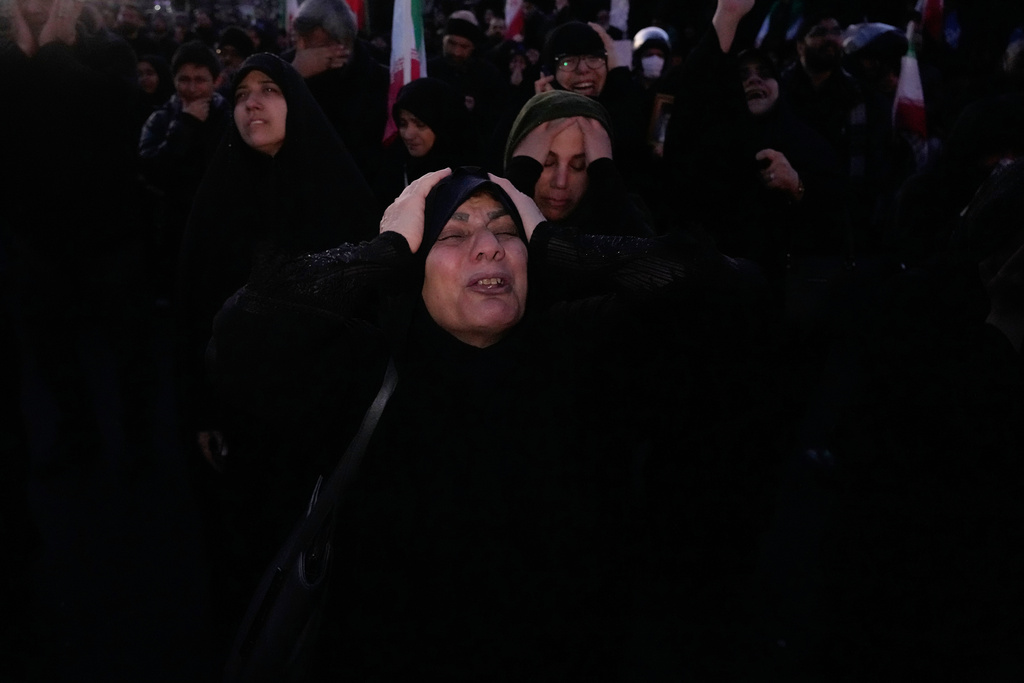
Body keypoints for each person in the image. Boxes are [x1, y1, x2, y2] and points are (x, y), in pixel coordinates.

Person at [207, 165, 771, 679]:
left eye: (507, 232)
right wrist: (384, 250)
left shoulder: (580, 351)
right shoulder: (363, 370)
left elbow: (735, 294)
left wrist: (558, 242)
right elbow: (241, 331)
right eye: (453, 235)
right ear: (415, 267)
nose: (488, 250)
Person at [175, 52, 380, 660]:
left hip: (320, 421)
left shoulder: (339, 192)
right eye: (240, 95)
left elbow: (368, 311)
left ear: (298, 104)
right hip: (240, 422)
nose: (252, 103)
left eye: (269, 90)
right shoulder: (216, 197)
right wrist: (201, 410)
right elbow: (191, 312)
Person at [139, 40, 232, 301]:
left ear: (217, 81)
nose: (192, 89)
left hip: (218, 228)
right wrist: (185, 126)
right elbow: (152, 170)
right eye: (184, 80)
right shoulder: (161, 119)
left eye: (200, 80)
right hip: (172, 228)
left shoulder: (231, 120)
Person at [504, 90, 655, 237]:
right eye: (547, 163)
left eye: (578, 166)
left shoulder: (625, 213)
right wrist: (520, 175)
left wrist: (605, 175)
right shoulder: (485, 207)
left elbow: (644, 255)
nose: (561, 182)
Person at [285, 0, 389, 191]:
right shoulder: (285, 66)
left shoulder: (378, 78)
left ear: (341, 44)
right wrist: (294, 76)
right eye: (299, 39)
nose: (301, 47)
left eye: (311, 43)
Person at [374, 76, 482, 205]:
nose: (408, 135)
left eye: (420, 124)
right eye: (403, 123)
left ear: (443, 125)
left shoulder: (470, 179)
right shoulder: (393, 167)